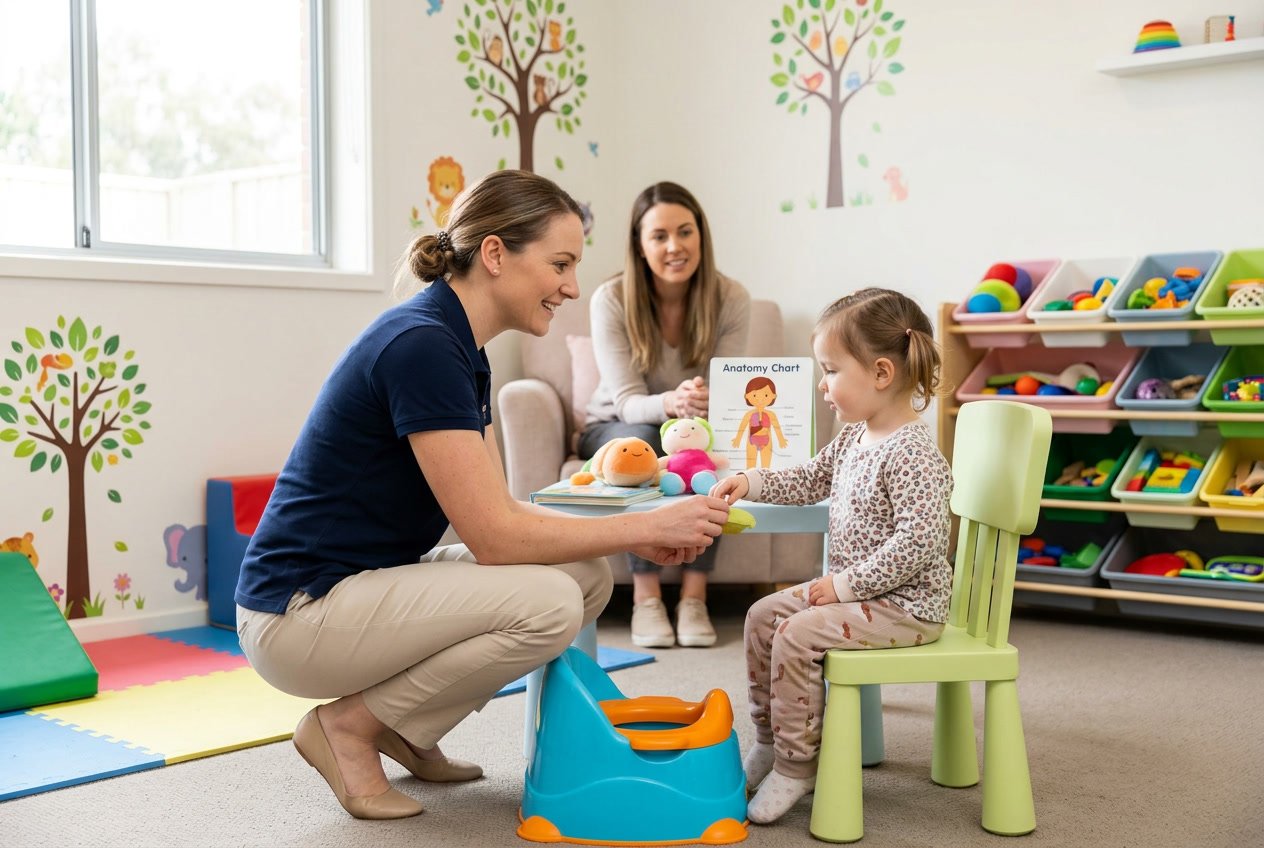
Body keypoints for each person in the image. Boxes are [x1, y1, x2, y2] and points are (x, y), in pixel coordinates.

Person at [234, 170, 731, 821]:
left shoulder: (462, 349)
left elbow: (498, 510)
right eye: (559, 263)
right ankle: (347, 729)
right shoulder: (422, 347)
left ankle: (406, 728)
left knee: (581, 579)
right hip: (298, 613)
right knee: (551, 601)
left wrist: (637, 526)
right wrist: (643, 528)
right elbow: (495, 539)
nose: (571, 287)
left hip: (360, 589)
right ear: (495, 254)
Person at [710, 288, 954, 826]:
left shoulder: (913, 453)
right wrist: (750, 479)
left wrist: (844, 588)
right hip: (861, 592)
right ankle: (770, 740)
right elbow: (807, 479)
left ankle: (799, 766)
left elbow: (921, 541)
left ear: (882, 373)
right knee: (761, 616)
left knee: (797, 633)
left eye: (831, 369)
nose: (822, 383)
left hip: (907, 606)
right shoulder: (853, 439)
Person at [580, 181, 751, 650]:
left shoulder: (731, 298)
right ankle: (647, 596)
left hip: (694, 429)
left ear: (701, 236)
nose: (674, 246)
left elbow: (733, 391)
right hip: (615, 427)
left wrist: (705, 399)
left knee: (701, 454)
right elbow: (627, 401)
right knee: (644, 438)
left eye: (685, 232)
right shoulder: (611, 299)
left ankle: (695, 596)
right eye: (659, 236)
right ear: (639, 244)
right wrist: (672, 403)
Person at [732, 376, 788, 469]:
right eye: (754, 395)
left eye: (766, 395)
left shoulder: (771, 414)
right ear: (747, 396)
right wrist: (738, 438)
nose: (760, 399)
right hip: (751, 442)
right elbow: (743, 426)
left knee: (766, 468)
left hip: (767, 442)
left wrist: (781, 439)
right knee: (750, 467)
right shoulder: (749, 414)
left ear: (773, 396)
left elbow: (776, 427)